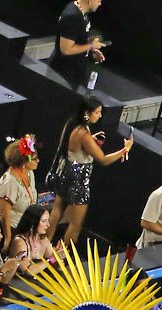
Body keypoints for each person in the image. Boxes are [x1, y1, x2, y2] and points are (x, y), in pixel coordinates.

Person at [48, 94, 131, 247]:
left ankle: (42, 246)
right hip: (78, 180)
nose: (99, 116)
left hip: (66, 173)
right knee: (75, 225)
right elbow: (104, 159)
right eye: (97, 112)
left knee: (56, 212)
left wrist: (91, 138)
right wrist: (125, 149)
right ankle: (61, 260)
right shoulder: (84, 134)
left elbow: (75, 145)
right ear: (87, 113)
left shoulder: (73, 124)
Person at [53, 0, 105, 91]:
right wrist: (91, 46)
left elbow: (77, 39)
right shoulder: (72, 17)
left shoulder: (83, 14)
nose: (100, 4)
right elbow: (66, 50)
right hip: (63, 75)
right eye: (98, 1)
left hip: (75, 72)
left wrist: (91, 51)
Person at [0, 139, 35, 250]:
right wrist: (8, 238)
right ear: (23, 162)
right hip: (13, 230)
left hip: (26, 228)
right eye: (34, 159)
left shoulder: (30, 173)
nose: (38, 160)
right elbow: (4, 213)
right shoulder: (10, 182)